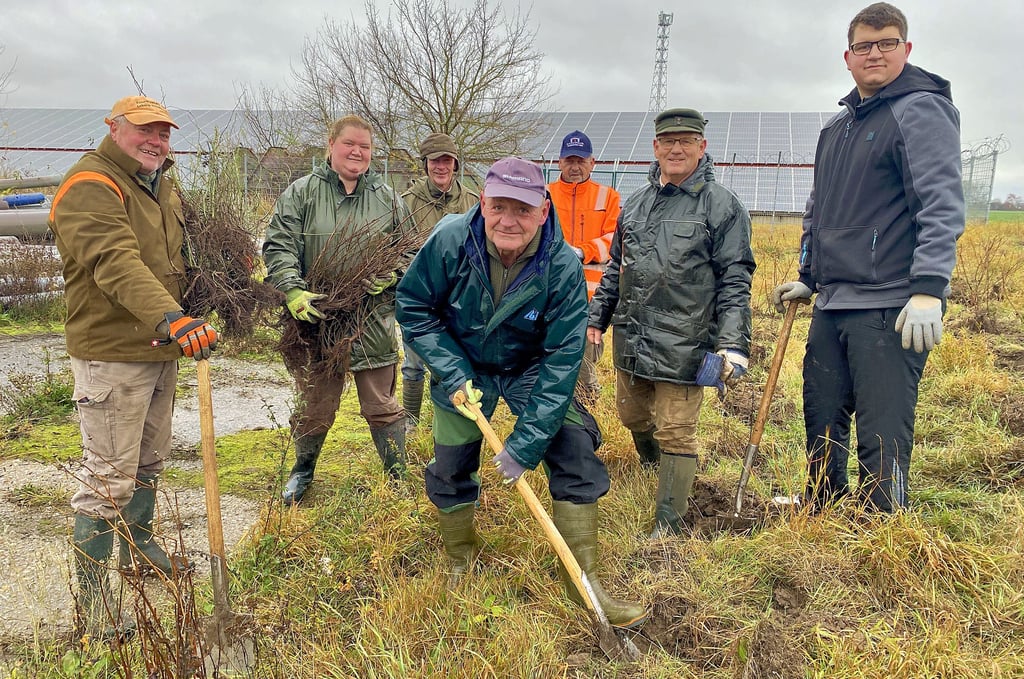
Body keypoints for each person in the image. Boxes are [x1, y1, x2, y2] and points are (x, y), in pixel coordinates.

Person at [396, 156, 647, 629]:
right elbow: (413, 308)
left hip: (530, 367)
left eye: (523, 209)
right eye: (499, 207)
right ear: (483, 203)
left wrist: (525, 444)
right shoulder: (450, 240)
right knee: (451, 463)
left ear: (543, 211)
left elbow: (561, 362)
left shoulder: (563, 266)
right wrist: (451, 373)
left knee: (573, 449)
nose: (509, 220)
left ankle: (583, 583)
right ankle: (460, 558)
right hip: (463, 365)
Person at [771, 2, 965, 514]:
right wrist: (809, 277)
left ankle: (881, 523)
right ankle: (823, 504)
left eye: (886, 43)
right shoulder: (837, 128)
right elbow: (820, 208)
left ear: (906, 49)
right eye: (864, 45)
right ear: (847, 56)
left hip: (889, 301)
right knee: (822, 413)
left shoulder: (920, 110)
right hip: (834, 300)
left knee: (882, 425)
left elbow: (939, 203)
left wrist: (927, 289)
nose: (874, 53)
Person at [49, 95, 219, 640]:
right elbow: (114, 262)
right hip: (114, 353)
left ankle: (138, 545)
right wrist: (173, 317)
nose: (157, 141)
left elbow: (173, 256)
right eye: (146, 131)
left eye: (165, 133)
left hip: (160, 346)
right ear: (114, 129)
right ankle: (94, 609)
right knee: (107, 478)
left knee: (148, 460)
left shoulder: (159, 184)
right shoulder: (92, 186)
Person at [588, 108, 755, 538]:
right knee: (631, 415)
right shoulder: (637, 203)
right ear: (656, 148)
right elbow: (616, 268)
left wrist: (733, 343)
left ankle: (670, 521)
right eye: (668, 141)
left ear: (702, 147)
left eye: (687, 141)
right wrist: (597, 319)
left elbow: (735, 279)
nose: (676, 148)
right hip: (633, 334)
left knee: (677, 430)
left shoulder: (721, 206)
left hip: (686, 339)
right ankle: (651, 465)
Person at [263, 115, 412, 504]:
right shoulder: (301, 193)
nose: (357, 152)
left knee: (381, 405)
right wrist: (293, 291)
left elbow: (411, 249)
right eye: (349, 144)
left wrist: (393, 273)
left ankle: (398, 476)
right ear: (330, 144)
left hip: (371, 319)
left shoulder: (387, 197)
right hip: (318, 320)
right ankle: (302, 473)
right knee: (316, 405)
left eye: (365, 146)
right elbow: (279, 246)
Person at [400, 133, 479, 431]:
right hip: (421, 299)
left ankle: (448, 423)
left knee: (454, 361)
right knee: (413, 362)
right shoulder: (408, 203)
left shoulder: (473, 201)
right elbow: (398, 251)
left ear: (455, 163)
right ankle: (410, 420)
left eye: (447, 160)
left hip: (461, 299)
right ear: (425, 164)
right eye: (435, 161)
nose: (441, 167)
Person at [546, 130, 621, 405]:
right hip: (551, 294)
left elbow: (615, 239)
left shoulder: (608, 197)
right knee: (552, 357)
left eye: (580, 160)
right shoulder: (545, 195)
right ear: (559, 162)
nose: (574, 167)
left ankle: (587, 410)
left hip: (594, 297)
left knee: (586, 360)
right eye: (569, 160)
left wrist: (581, 251)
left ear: (592, 162)